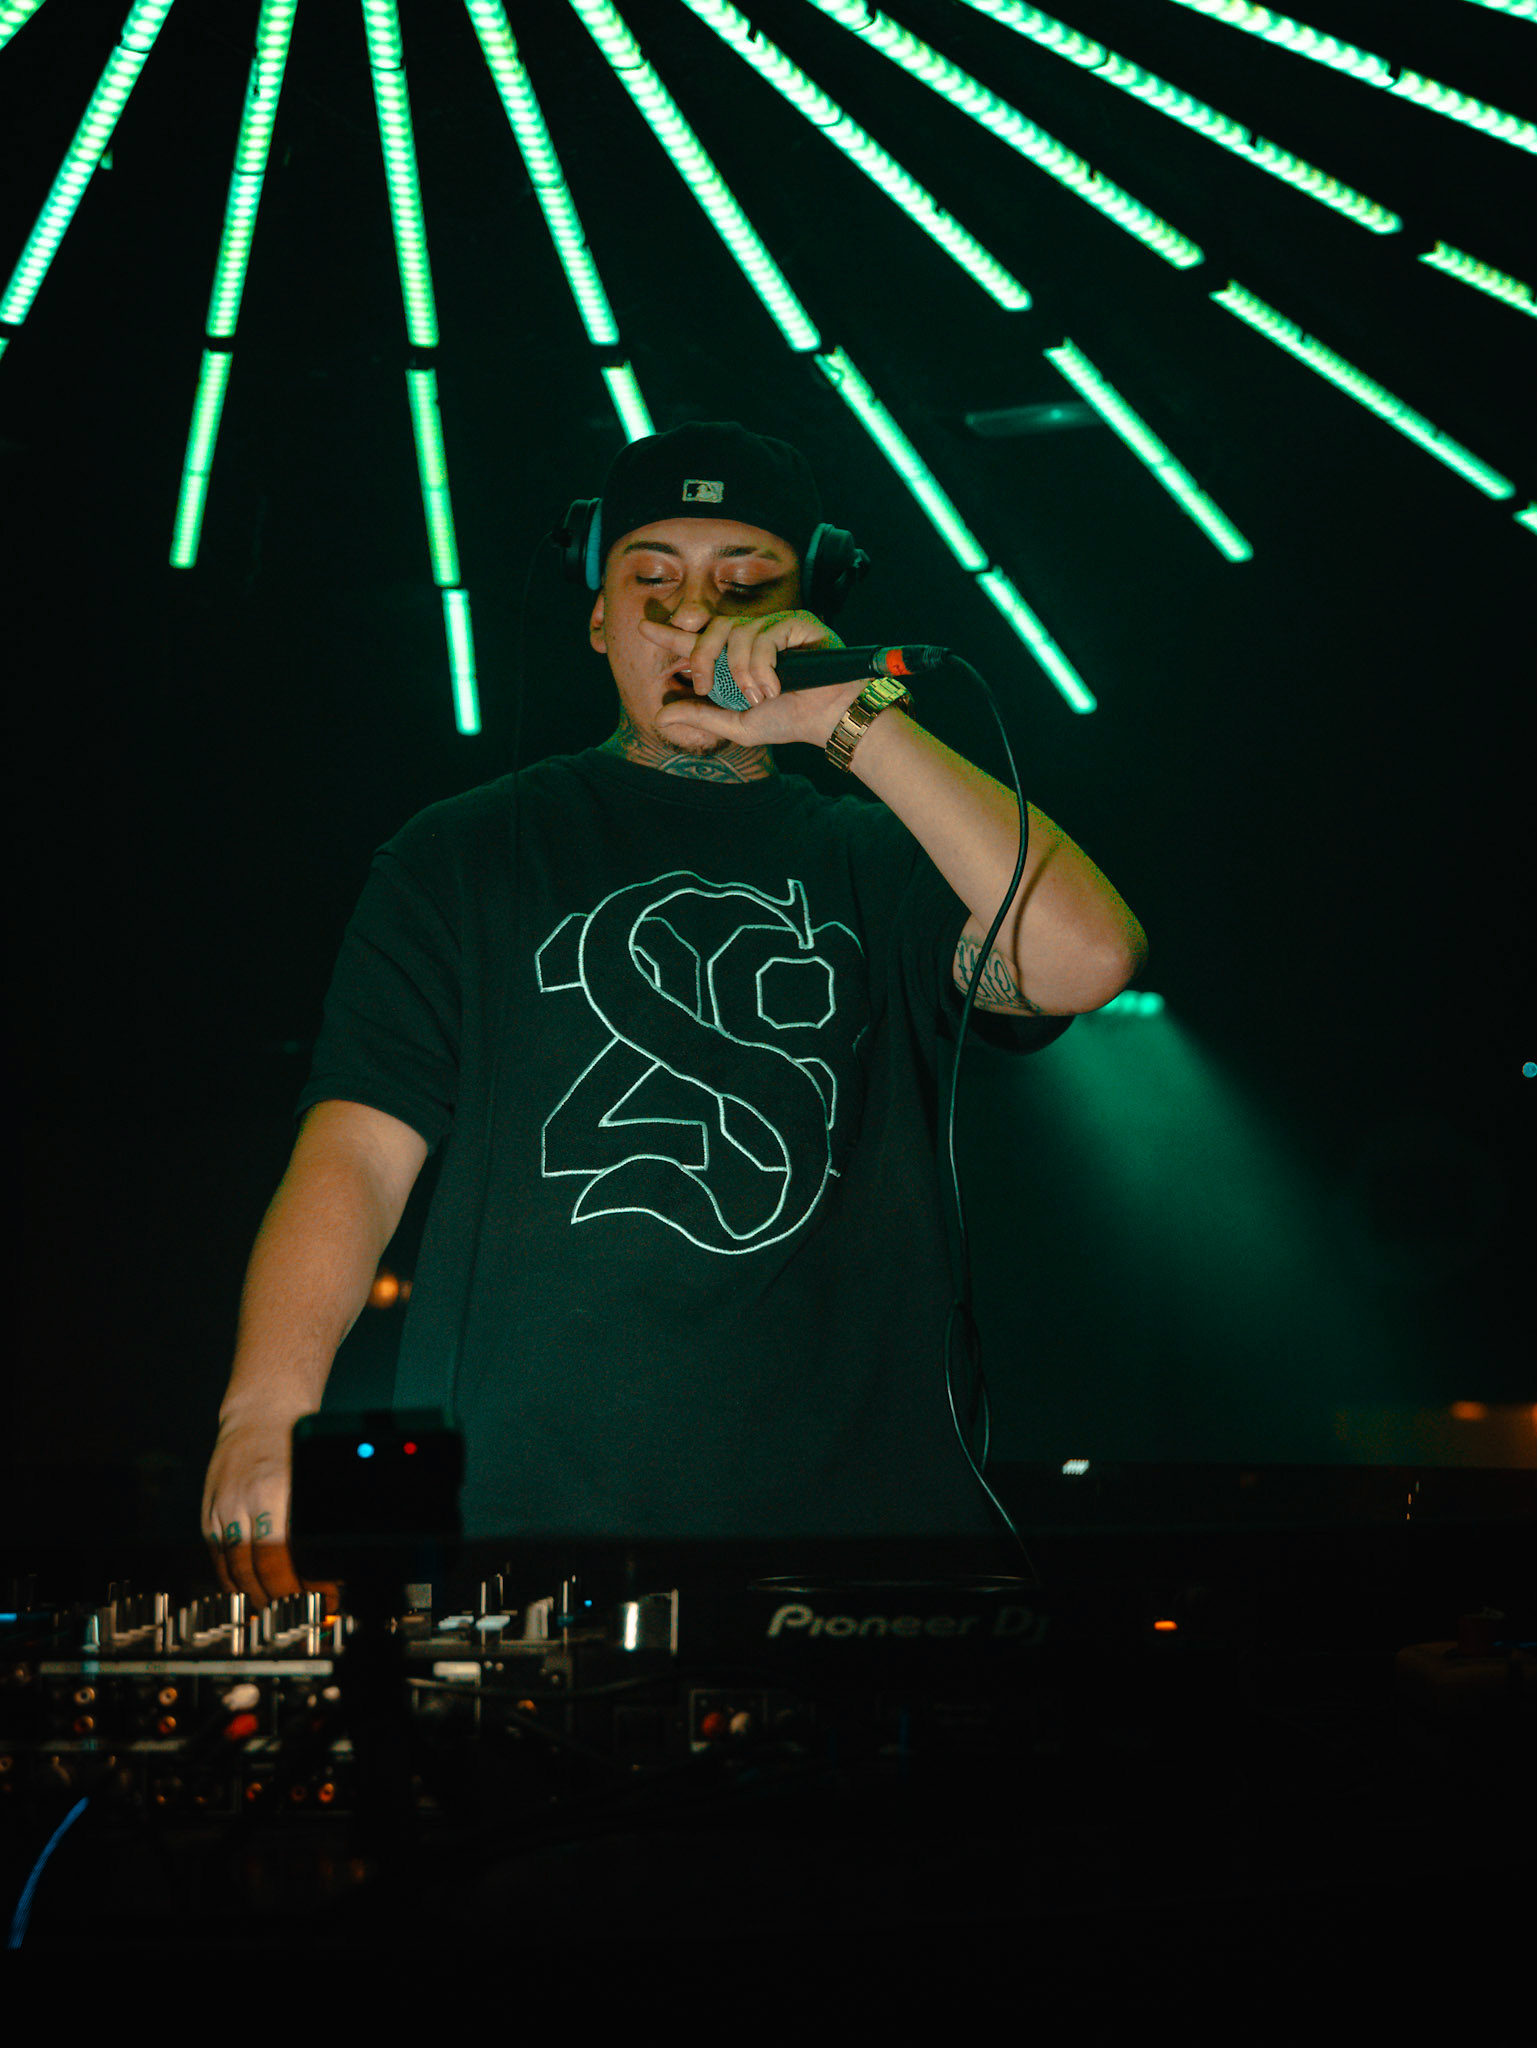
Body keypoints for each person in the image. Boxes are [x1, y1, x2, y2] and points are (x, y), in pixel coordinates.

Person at [201, 420, 1147, 1608]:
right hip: (529, 1535)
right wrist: (262, 1406)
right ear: (598, 615)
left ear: (809, 610)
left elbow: (1088, 957)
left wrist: (855, 723)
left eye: (744, 583)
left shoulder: (888, 854)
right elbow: (356, 1150)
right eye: (652, 579)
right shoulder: (461, 853)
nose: (695, 614)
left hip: (861, 1543)